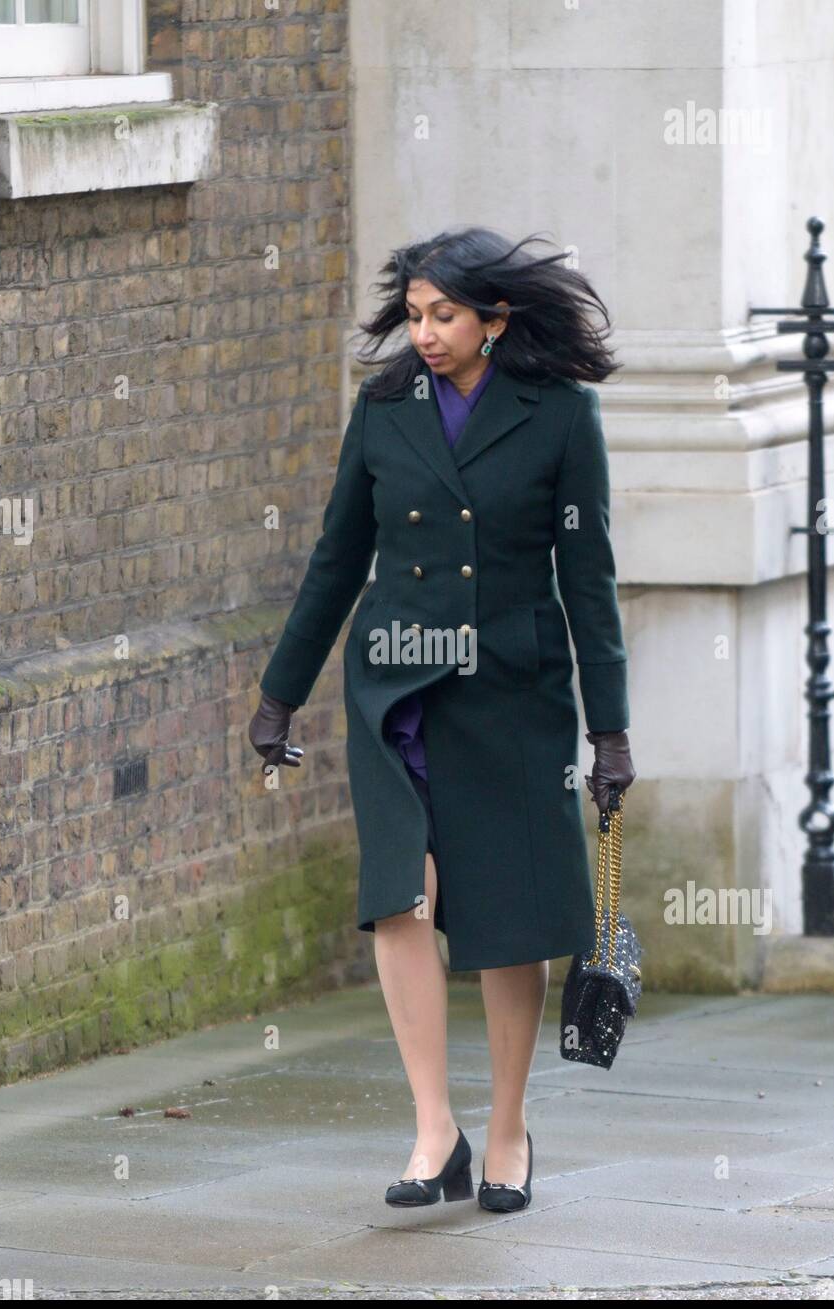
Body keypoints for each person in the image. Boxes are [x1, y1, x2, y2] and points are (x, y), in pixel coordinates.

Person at [249, 227, 636, 1211]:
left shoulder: (558, 414)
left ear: (493, 320)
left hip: (512, 687)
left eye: (442, 316)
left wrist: (609, 729)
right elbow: (338, 556)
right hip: (395, 684)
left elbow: (586, 582)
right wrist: (278, 692)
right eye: (413, 314)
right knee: (399, 896)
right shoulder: (381, 408)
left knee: (505, 918)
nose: (422, 333)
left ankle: (505, 1129)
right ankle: (434, 1128)